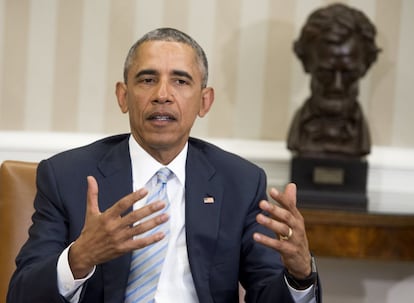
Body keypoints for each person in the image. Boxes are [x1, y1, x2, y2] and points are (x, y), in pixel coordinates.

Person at [7, 28, 320, 303]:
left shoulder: (240, 182)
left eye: (181, 81)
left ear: (204, 101)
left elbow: (267, 293)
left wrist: (300, 274)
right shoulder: (67, 176)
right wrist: (79, 258)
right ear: (123, 96)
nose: (162, 95)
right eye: (147, 79)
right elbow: (21, 294)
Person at [287, 3, 381, 157]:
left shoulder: (359, 133)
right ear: (306, 63)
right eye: (325, 73)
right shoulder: (299, 132)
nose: (337, 86)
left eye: (349, 74)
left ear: (365, 67)